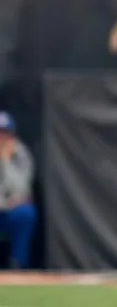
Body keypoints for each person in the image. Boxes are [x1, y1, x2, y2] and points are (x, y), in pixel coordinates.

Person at [0, 111, 36, 269]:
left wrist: (5, 161)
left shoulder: (21, 154)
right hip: (4, 205)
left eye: (4, 133)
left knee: (26, 213)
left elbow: (21, 189)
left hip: (8, 213)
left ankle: (17, 264)